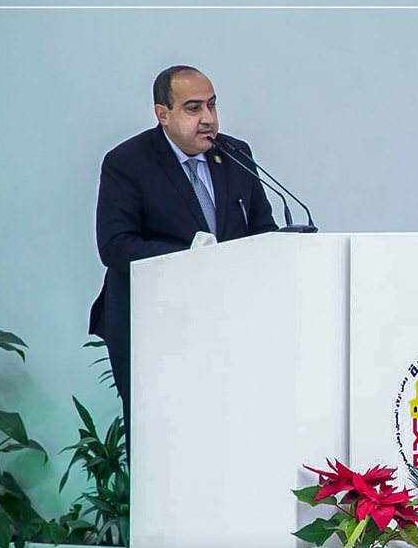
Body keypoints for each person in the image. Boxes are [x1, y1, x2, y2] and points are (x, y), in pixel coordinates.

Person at [89, 65, 278, 452]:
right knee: (162, 446)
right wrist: (192, 257)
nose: (208, 119)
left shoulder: (235, 154)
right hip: (152, 327)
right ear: (163, 114)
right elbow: (115, 246)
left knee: (227, 438)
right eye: (193, 108)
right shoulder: (127, 163)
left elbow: (263, 230)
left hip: (227, 323)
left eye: (212, 105)